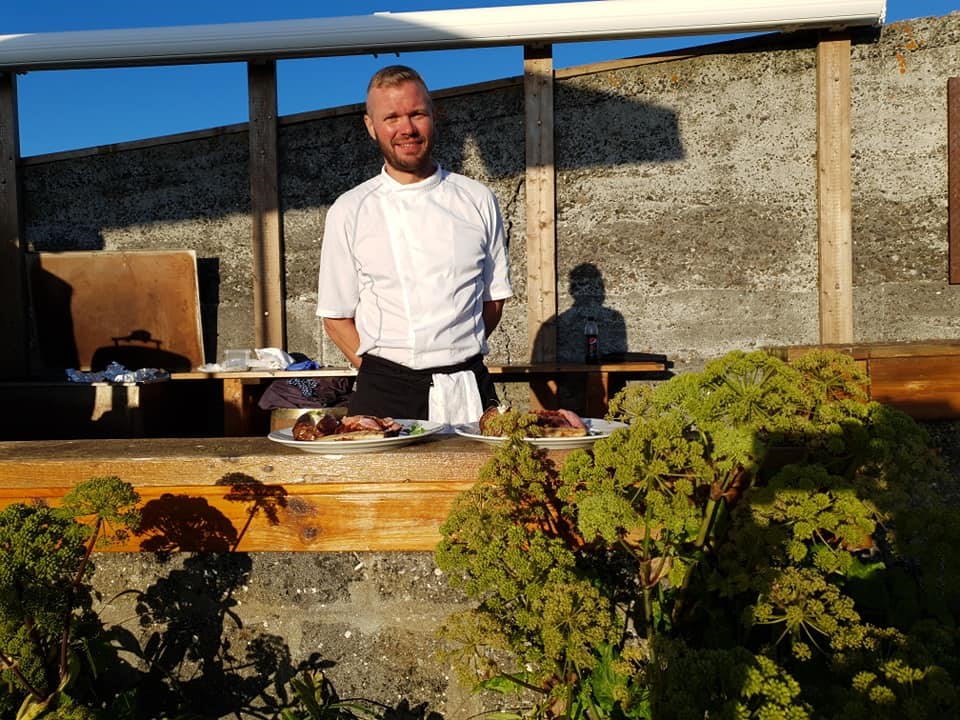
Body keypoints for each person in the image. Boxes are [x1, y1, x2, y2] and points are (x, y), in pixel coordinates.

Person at [316, 65, 513, 423]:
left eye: (416, 114)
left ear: (434, 116)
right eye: (391, 117)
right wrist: (387, 373)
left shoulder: (477, 198)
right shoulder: (350, 209)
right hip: (383, 394)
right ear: (371, 126)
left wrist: (453, 350)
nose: (406, 128)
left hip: (469, 387)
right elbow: (336, 317)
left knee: (486, 480)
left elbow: (493, 299)